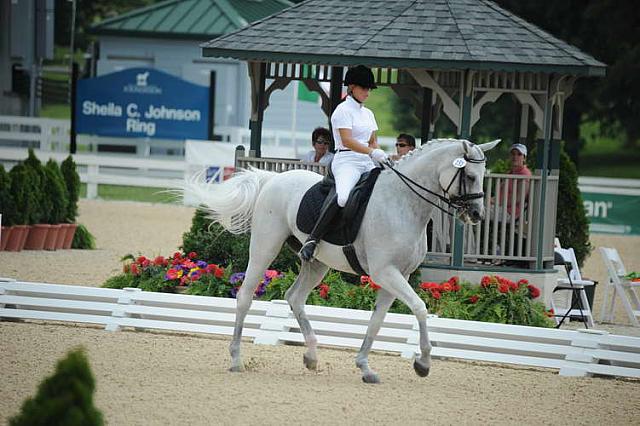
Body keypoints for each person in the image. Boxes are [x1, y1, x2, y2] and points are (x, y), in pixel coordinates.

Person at [299, 65, 388, 261]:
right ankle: (313, 240)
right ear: (352, 87)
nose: (367, 92)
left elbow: (373, 141)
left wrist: (380, 155)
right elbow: (347, 140)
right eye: (364, 88)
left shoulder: (368, 114)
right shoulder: (342, 110)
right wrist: (372, 151)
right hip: (347, 160)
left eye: (369, 89)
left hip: (367, 160)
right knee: (342, 197)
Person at [496, 143, 532, 221]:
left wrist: (497, 203)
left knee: (476, 213)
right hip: (499, 207)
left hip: (510, 212)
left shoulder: (524, 173)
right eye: (513, 154)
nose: (515, 157)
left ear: (524, 158)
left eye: (519, 154)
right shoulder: (510, 173)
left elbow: (519, 198)